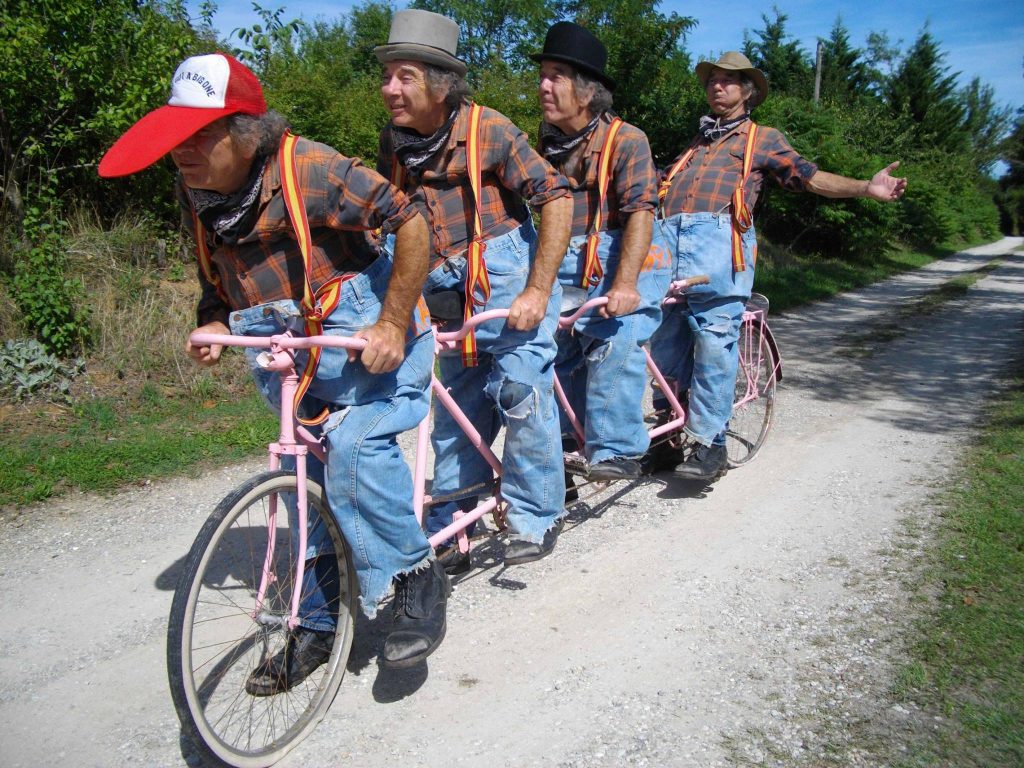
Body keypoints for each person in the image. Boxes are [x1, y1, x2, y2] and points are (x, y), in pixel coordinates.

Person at [98, 53, 449, 683]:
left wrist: (394, 322)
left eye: (198, 136)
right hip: (292, 364)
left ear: (245, 133)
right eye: (176, 137)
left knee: (355, 447)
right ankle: (315, 623)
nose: (182, 152)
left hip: (372, 349)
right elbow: (218, 277)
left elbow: (414, 221)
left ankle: (416, 576)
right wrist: (212, 316)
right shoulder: (198, 192)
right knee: (303, 489)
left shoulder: (309, 169)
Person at [375, 10, 574, 571]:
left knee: (519, 389)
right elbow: (391, 217)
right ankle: (456, 521)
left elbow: (555, 196)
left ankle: (537, 513)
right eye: (387, 74)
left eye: (405, 75)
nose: (390, 88)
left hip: (508, 279)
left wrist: (538, 288)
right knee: (458, 407)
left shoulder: (490, 129)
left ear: (440, 83)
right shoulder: (396, 142)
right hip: (442, 290)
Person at [649, 51, 907, 481]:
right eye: (712, 79)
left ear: (747, 92)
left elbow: (809, 177)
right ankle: (667, 440)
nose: (717, 85)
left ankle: (711, 445)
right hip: (668, 259)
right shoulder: (695, 145)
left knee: (713, 346)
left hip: (719, 259)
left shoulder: (762, 138)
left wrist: (866, 187)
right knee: (664, 350)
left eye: (728, 80)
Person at [532, 22, 671, 490]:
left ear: (587, 91)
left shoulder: (627, 140)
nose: (543, 86)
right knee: (552, 351)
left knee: (616, 336)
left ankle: (616, 447)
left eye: (556, 75)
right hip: (566, 259)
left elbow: (640, 215)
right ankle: (569, 449)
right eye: (543, 75)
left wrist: (626, 283)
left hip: (629, 252)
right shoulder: (546, 144)